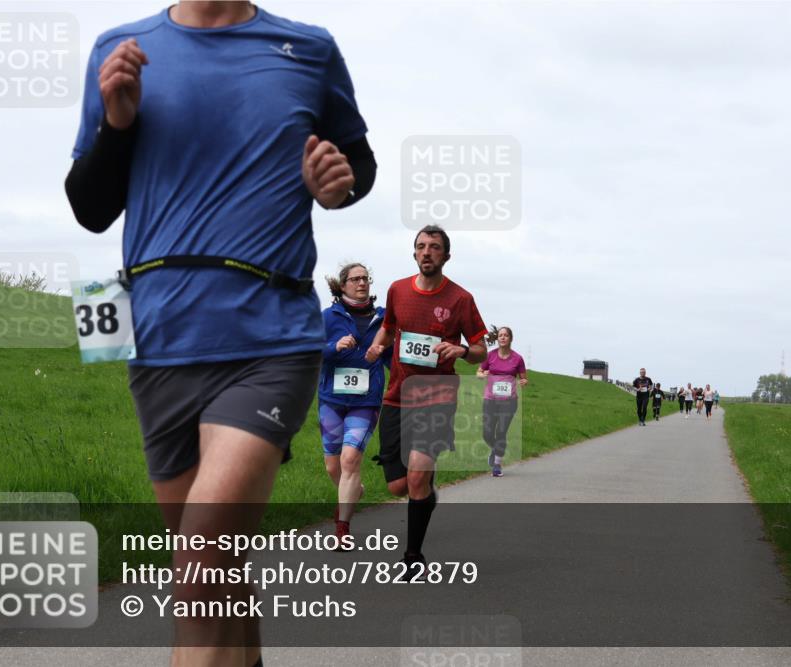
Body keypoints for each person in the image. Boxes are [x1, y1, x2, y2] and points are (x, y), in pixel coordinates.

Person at [64, 3, 374, 665]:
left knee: (202, 565)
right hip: (158, 337)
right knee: (214, 571)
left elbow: (359, 166)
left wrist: (335, 187)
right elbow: (90, 209)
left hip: (269, 337)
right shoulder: (119, 48)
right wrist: (118, 124)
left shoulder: (308, 48)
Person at [365, 225, 488, 577]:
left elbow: (481, 349)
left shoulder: (460, 299)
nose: (427, 252)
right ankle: (426, 493)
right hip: (397, 396)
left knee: (416, 476)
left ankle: (412, 558)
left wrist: (463, 349)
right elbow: (389, 328)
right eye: (421, 246)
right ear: (414, 253)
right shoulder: (397, 290)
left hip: (436, 397)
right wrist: (377, 346)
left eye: (434, 247)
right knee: (398, 485)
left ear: (446, 255)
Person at [318, 263, 389, 546]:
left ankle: (342, 528)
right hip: (331, 400)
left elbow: (393, 359)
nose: (362, 283)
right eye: (355, 279)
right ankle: (351, 491)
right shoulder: (328, 317)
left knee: (350, 460)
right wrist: (333, 348)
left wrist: (382, 355)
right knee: (333, 467)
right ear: (342, 284)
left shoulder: (385, 320)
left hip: (366, 401)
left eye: (365, 278)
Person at [476, 326, 527, 477]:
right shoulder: (489, 356)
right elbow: (478, 372)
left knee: (501, 431)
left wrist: (523, 381)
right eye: (500, 335)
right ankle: (496, 449)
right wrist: (482, 374)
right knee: (487, 432)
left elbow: (524, 377)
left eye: (506, 335)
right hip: (490, 399)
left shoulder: (517, 358)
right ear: (497, 339)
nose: (503, 337)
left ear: (510, 338)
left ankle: (497, 465)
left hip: (509, 401)